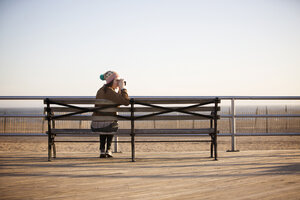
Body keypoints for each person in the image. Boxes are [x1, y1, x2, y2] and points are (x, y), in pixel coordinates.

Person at [91, 71, 130, 158]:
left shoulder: (101, 90)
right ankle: (108, 149)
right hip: (108, 124)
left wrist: (119, 90)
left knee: (106, 120)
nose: (118, 82)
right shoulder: (109, 92)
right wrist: (123, 88)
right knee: (110, 121)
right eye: (117, 80)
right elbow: (126, 101)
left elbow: (117, 102)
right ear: (111, 81)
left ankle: (102, 149)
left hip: (97, 123)